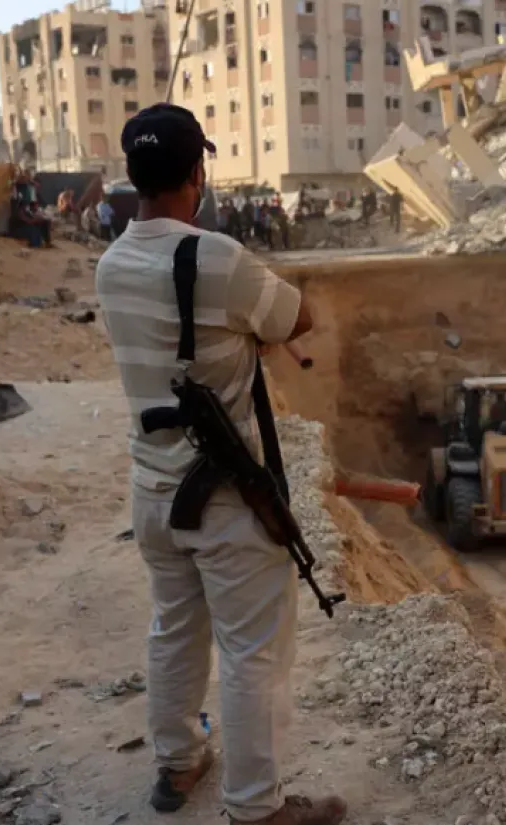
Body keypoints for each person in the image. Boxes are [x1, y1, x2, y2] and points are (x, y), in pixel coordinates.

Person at [94, 103, 345, 825]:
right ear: (197, 174)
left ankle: (177, 762)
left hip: (153, 491)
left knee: (174, 627)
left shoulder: (110, 266)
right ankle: (256, 807)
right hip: (226, 500)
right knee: (252, 652)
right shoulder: (218, 258)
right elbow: (295, 319)